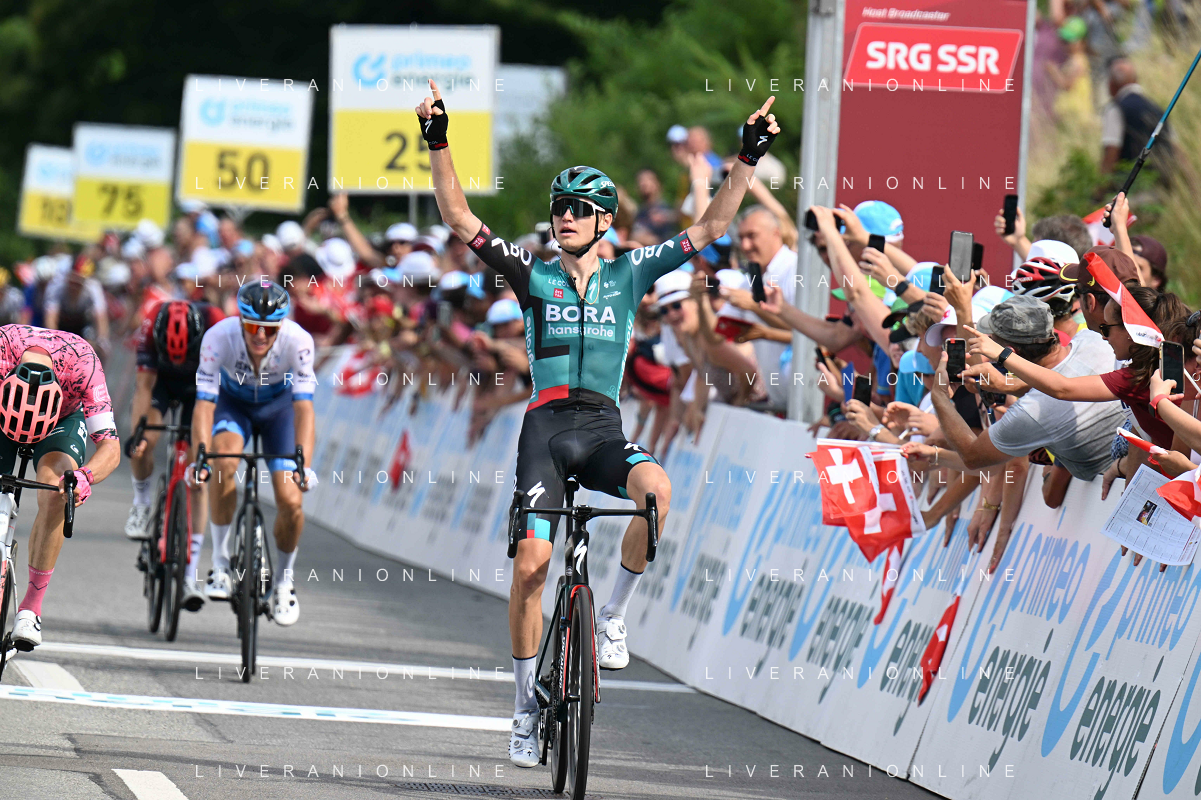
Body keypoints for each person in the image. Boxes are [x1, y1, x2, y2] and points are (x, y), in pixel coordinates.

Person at [414, 78, 780, 767]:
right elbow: (459, 217)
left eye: (579, 209)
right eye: (559, 208)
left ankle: (612, 615)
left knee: (657, 492)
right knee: (531, 568)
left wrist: (746, 157)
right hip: (546, 431)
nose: (565, 217)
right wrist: (438, 140)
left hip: (604, 427)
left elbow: (710, 228)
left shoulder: (630, 274)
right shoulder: (532, 275)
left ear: (605, 221)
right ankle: (524, 708)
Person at [906, 296, 1126, 563]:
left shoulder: (1031, 414)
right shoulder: (1093, 340)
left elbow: (973, 456)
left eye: (993, 342)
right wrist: (1009, 384)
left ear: (1008, 352)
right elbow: (1063, 377)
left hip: (1106, 507)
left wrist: (940, 397)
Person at [191, 282, 317, 627]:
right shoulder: (218, 337)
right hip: (234, 406)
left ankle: (284, 582)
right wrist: (201, 456)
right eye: (252, 326)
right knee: (222, 462)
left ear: (281, 326)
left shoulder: (299, 340)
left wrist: (304, 464)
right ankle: (220, 562)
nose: (260, 335)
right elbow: (204, 405)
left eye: (269, 329)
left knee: (291, 501)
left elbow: (304, 409)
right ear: (240, 321)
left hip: (280, 411)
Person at [0, 326, 121, 649]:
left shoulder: (83, 365)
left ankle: (31, 609)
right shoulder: (2, 351)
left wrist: (84, 476)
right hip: (2, 413)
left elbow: (110, 447)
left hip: (60, 420)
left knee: (58, 489)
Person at [126, 300, 226, 608]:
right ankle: (141, 503)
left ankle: (190, 573)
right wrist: (139, 435)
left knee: (198, 474)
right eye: (173, 354)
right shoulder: (150, 325)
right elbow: (143, 388)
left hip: (201, 387)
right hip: (162, 383)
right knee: (144, 441)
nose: (178, 359)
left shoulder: (215, 323)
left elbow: (216, 395)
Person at [1101, 58, 1174, 178]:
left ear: (1112, 84)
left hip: (1131, 183)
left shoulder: (1116, 109)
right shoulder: (1158, 109)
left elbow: (1111, 152)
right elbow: (1175, 148)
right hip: (1161, 181)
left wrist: (1101, 185)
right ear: (1136, 80)